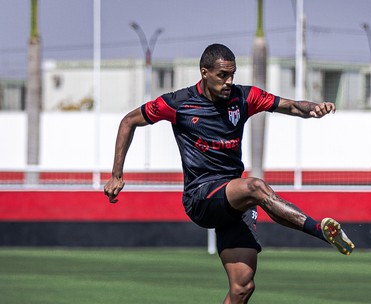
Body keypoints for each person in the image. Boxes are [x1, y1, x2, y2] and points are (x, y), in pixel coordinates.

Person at [104, 43, 355, 304]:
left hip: (235, 202)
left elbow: (290, 106)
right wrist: (116, 174)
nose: (229, 81)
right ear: (204, 72)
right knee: (255, 187)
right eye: (222, 75)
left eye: (232, 75)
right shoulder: (177, 103)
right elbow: (129, 121)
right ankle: (319, 230)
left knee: (243, 286)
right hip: (201, 197)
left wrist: (313, 109)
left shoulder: (244, 97)